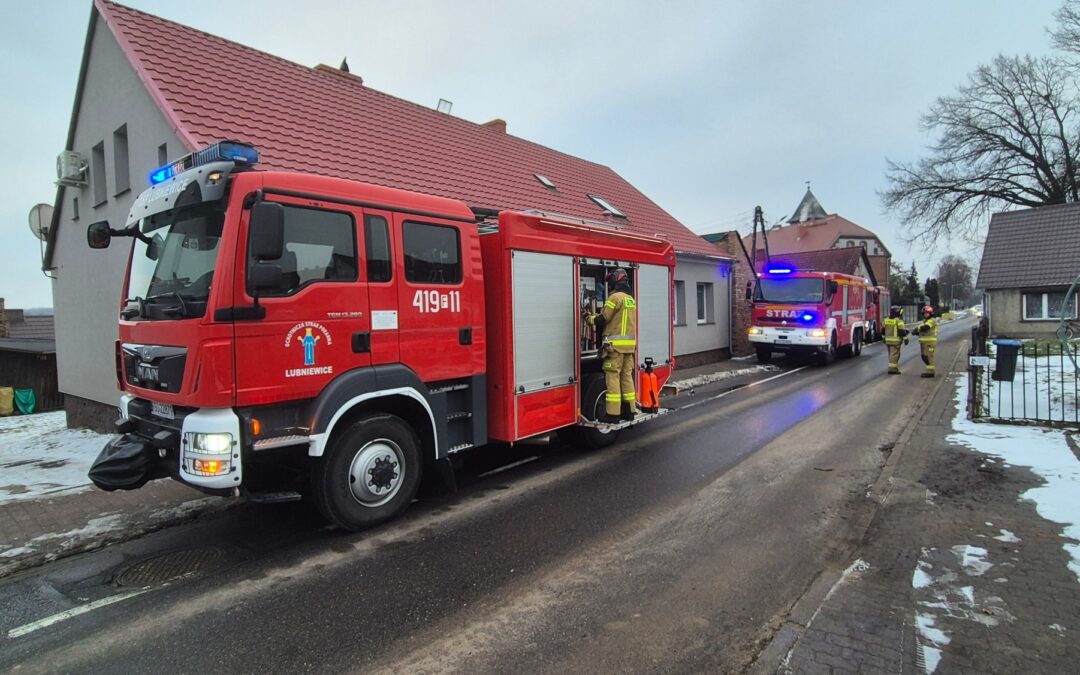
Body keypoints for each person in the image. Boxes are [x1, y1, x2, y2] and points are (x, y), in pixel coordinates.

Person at [586, 268, 637, 421]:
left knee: (613, 377)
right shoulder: (630, 299)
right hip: (629, 347)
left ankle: (613, 414)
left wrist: (589, 318)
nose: (611, 285)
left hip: (615, 348)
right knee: (626, 377)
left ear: (616, 280)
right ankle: (629, 411)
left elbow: (602, 319)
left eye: (612, 282)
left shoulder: (614, 298)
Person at [882, 306, 909, 374]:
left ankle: (892, 368)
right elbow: (902, 331)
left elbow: (883, 330)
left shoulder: (886, 320)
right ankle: (892, 369)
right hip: (895, 342)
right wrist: (906, 339)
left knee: (891, 355)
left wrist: (884, 338)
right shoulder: (898, 321)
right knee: (895, 355)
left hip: (888, 341)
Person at [914, 305, 938, 378]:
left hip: (929, 343)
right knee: (924, 357)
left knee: (929, 357)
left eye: (927, 313)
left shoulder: (932, 320)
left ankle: (931, 372)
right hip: (924, 343)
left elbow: (926, 327)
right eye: (924, 313)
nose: (925, 315)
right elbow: (923, 331)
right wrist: (916, 332)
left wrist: (918, 329)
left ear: (931, 313)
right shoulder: (925, 321)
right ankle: (929, 371)